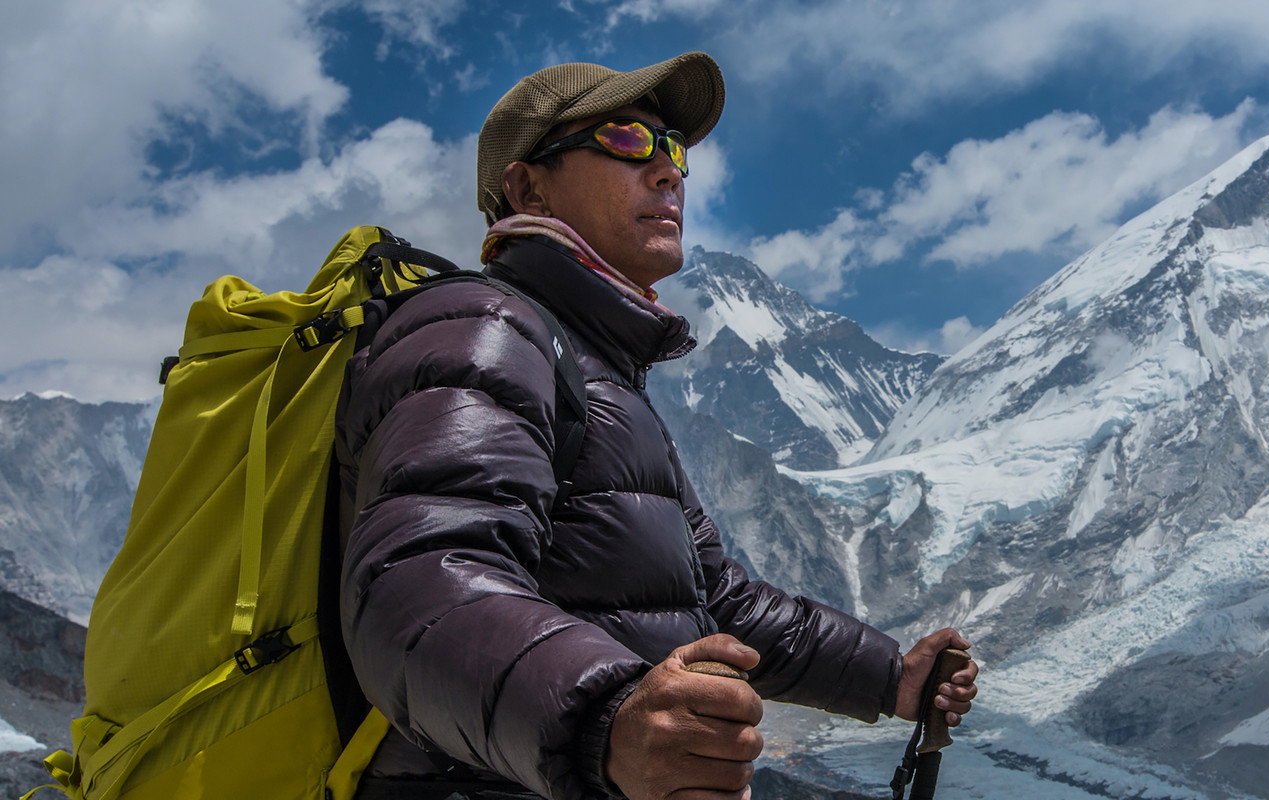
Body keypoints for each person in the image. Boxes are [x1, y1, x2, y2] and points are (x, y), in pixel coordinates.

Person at [332, 52, 978, 800]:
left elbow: (713, 599)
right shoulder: (484, 330)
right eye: (626, 141)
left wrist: (887, 677)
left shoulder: (594, 368)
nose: (669, 170)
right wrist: (607, 720)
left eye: (670, 148)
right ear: (526, 185)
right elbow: (415, 591)